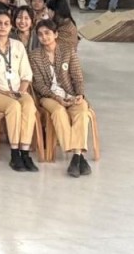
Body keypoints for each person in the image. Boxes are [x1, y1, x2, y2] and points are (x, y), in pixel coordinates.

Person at [0, 9, 39, 172]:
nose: (2, 27)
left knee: (28, 104)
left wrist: (21, 91)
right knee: (14, 106)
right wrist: (6, 94)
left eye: (6, 24)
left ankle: (25, 152)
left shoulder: (18, 46)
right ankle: (14, 154)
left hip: (19, 91)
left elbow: (27, 75)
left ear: (11, 27)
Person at [30, 20, 92, 177]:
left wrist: (79, 94)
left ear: (55, 34)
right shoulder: (35, 56)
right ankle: (77, 156)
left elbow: (77, 76)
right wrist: (57, 98)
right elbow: (38, 84)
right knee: (58, 112)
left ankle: (76, 156)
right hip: (48, 96)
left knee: (82, 110)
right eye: (41, 34)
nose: (44, 37)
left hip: (70, 93)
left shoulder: (67, 50)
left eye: (47, 33)